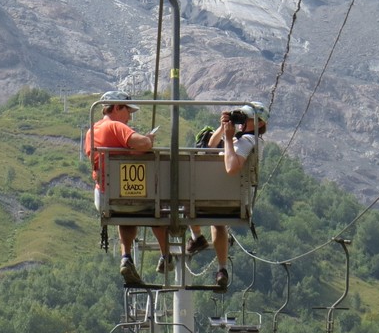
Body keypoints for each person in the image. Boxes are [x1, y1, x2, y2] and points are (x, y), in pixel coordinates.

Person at [85, 90, 170, 287]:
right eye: (127, 111)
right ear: (116, 108)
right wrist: (149, 139)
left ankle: (126, 256)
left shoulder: (91, 131)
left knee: (125, 210)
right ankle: (166, 254)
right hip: (134, 195)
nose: (129, 117)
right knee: (154, 207)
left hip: (106, 195)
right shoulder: (115, 126)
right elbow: (143, 143)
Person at [186, 102, 268, 290]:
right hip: (226, 193)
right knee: (218, 222)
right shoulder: (244, 139)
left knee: (187, 195)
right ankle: (221, 268)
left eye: (246, 119)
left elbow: (231, 167)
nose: (242, 122)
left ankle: (197, 236)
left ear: (259, 123)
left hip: (226, 191)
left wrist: (229, 139)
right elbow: (210, 146)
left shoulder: (248, 141)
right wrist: (223, 128)